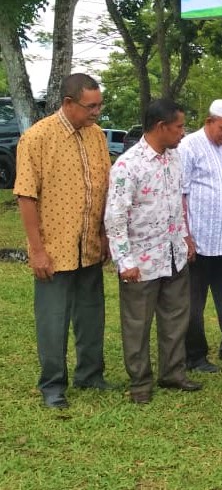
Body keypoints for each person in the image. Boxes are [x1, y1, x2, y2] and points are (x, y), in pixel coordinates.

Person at [15, 73, 113, 408]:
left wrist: (103, 234)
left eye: (99, 104)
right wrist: (37, 250)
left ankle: (90, 374)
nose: (97, 112)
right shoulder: (37, 137)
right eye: (91, 106)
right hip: (54, 250)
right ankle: (53, 386)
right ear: (68, 103)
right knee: (53, 319)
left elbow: (102, 187)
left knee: (91, 314)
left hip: (89, 245)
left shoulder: (97, 136)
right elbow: (26, 196)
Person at [105, 98, 202, 404]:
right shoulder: (128, 165)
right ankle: (140, 383)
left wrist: (185, 238)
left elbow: (176, 204)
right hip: (141, 259)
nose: (182, 133)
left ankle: (173, 373)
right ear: (161, 127)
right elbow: (115, 217)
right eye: (179, 126)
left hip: (172, 253)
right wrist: (125, 260)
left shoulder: (173, 158)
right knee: (137, 323)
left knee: (175, 317)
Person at [180, 99, 222, 374]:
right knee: (192, 305)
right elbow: (180, 194)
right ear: (209, 121)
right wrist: (185, 236)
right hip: (198, 241)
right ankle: (194, 357)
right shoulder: (188, 147)